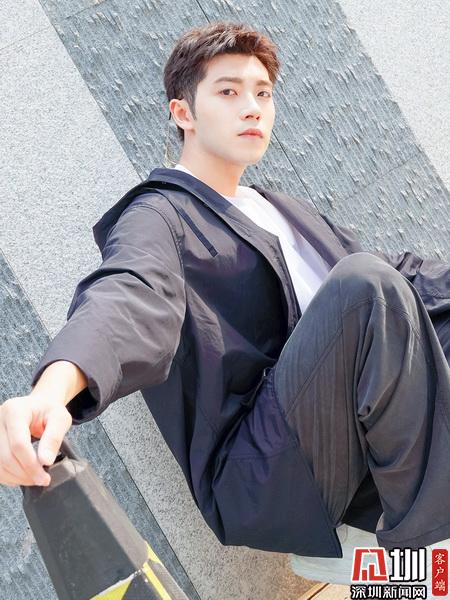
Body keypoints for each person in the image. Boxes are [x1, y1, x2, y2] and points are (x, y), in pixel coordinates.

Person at [2, 20, 450, 585]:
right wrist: (53, 389)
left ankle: (398, 525)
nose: (252, 108)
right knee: (367, 287)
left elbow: (402, 286)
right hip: (258, 469)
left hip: (339, 439)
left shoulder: (280, 207)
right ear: (183, 113)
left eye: (263, 93)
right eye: (229, 92)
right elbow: (127, 294)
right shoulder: (159, 214)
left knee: (405, 299)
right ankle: (425, 554)